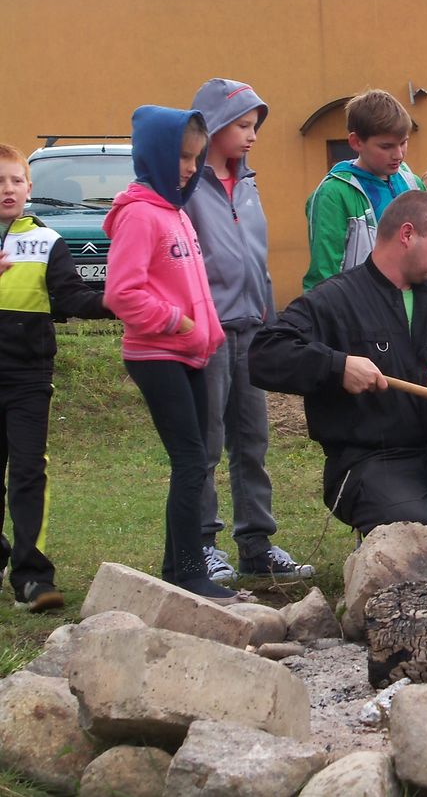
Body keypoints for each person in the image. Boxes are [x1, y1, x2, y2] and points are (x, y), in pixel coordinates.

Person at [248, 191, 427, 543]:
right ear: (407, 234)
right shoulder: (334, 299)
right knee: (417, 537)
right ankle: (381, 531)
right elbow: (264, 354)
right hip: (370, 463)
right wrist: (337, 366)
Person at [103, 106, 244, 603]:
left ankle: (175, 566)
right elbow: (122, 292)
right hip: (157, 353)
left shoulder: (175, 210)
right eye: (182, 157)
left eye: (196, 156)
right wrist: (175, 320)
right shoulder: (141, 214)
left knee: (196, 460)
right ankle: (188, 572)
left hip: (191, 354)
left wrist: (205, 330)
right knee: (190, 462)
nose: (190, 166)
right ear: (156, 155)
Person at [184, 78, 313, 584]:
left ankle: (256, 545)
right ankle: (201, 544)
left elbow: (254, 259)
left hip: (252, 330)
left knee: (252, 440)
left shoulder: (250, 182)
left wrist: (270, 321)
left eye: (254, 125)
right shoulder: (189, 185)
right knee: (206, 440)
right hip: (208, 332)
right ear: (213, 125)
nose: (252, 135)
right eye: (242, 125)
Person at [0, 143, 113, 612]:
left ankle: (32, 575)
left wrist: (121, 299)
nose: (8, 189)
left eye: (15, 181)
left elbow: (73, 299)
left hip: (27, 376)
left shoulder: (47, 241)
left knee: (28, 472)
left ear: (29, 187)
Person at [302, 89, 425, 291]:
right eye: (386, 146)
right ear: (356, 142)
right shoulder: (334, 194)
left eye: (403, 143)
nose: (398, 154)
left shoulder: (412, 183)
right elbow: (323, 275)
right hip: (360, 311)